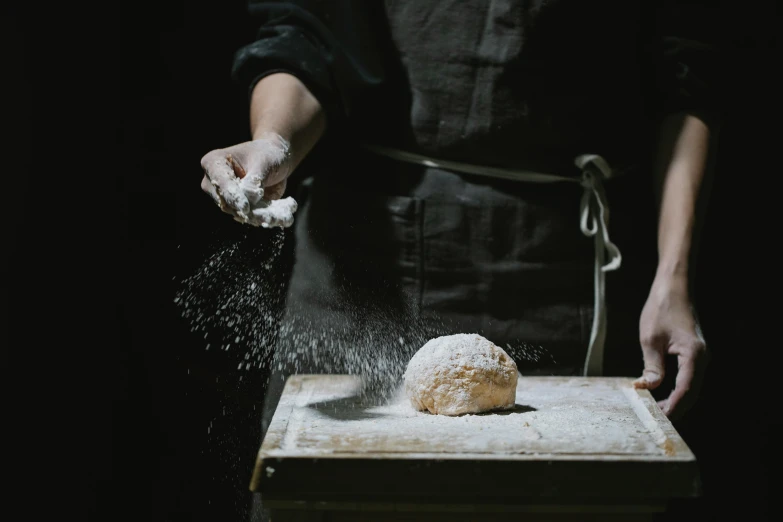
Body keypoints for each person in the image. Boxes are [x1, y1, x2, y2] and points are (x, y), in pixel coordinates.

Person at [200, 0, 716, 515]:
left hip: (563, 267)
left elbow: (687, 74)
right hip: (365, 262)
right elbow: (304, 31)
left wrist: (674, 275)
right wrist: (274, 141)